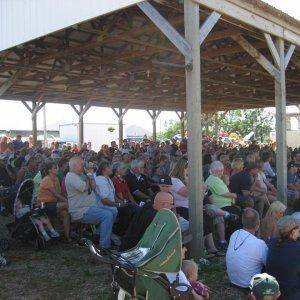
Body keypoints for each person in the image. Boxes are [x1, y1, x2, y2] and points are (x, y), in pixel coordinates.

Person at [65, 157, 114, 249]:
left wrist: (89, 175)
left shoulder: (81, 175)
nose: (84, 166)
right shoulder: (71, 176)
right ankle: (104, 246)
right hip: (81, 210)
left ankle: (97, 236)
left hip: (90, 207)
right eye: (82, 164)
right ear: (74, 166)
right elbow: (85, 188)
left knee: (113, 211)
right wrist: (89, 174)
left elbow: (94, 186)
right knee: (107, 215)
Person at [226, 208, 268, 288]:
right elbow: (268, 263)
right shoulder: (259, 244)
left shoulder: (235, 234)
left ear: (242, 221)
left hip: (233, 280)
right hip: (249, 284)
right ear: (258, 223)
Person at [95, 161, 138, 237]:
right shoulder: (101, 180)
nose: (112, 168)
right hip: (104, 206)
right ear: (104, 170)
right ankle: (118, 232)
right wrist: (118, 204)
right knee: (127, 211)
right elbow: (104, 200)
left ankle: (120, 232)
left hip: (111, 204)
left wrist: (122, 203)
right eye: (109, 167)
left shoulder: (108, 179)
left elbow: (114, 195)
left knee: (132, 208)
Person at [266, 216, 300, 300]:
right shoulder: (297, 248)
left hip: (271, 287)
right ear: (293, 231)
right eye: (298, 230)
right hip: (290, 292)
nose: (299, 233)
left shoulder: (272, 242)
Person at [37, 161, 70, 240]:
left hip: (53, 203)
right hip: (43, 205)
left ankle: (67, 237)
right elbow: (56, 194)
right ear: (49, 170)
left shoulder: (56, 179)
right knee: (67, 205)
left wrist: (67, 198)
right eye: (55, 168)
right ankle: (79, 221)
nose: (57, 169)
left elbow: (60, 193)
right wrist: (67, 201)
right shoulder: (47, 179)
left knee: (66, 214)